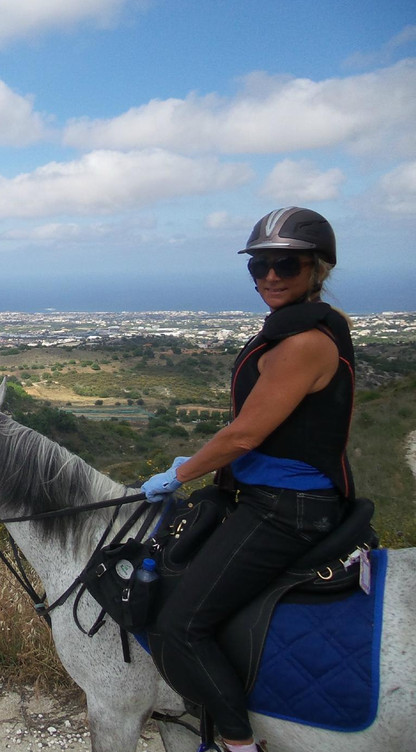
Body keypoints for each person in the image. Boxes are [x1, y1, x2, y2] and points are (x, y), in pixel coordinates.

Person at [141, 207, 354, 752]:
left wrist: (180, 473)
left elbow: (243, 437)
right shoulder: (300, 329)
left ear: (317, 269)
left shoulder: (304, 343)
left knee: (177, 627)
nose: (271, 277)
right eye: (259, 266)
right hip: (267, 494)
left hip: (287, 508)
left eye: (287, 264)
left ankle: (238, 743)